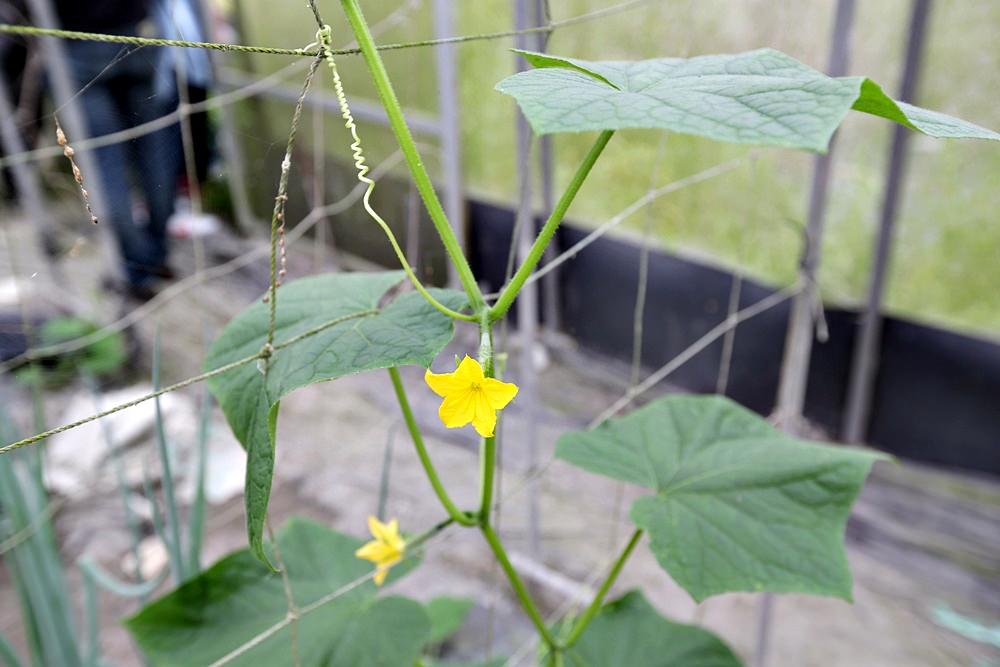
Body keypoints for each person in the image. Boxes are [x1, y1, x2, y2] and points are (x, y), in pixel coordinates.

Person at [54, 0, 182, 300]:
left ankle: (139, 263)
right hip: (138, 35)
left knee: (104, 160)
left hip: (77, 43)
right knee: (154, 151)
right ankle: (156, 254)